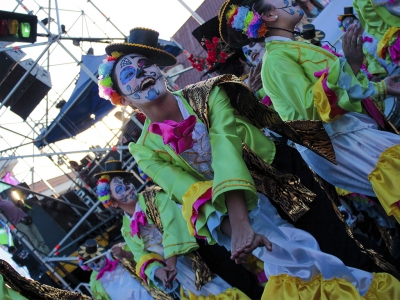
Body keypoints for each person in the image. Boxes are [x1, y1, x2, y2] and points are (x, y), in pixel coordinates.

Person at [97, 27, 400, 298]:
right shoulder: (145, 149)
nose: (142, 73)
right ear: (122, 99)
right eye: (129, 75)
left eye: (145, 64)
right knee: (302, 276)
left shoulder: (207, 93)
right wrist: (236, 231)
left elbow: (225, 146)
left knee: (342, 251)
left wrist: (240, 223)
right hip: (247, 214)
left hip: (283, 180)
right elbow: (188, 190)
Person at [221, 0, 400, 225]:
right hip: (342, 143)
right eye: (284, 1)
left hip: (350, 134)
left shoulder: (291, 48)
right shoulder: (276, 60)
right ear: (269, 16)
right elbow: (313, 107)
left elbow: (343, 94)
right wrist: (352, 65)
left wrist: (382, 88)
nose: (292, 1)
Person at [93, 161, 252, 299]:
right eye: (120, 189)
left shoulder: (155, 197)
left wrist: (170, 263)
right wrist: (157, 271)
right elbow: (141, 255)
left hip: (201, 250)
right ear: (113, 203)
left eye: (126, 183)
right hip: (182, 271)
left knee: (238, 283)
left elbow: (172, 226)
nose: (127, 188)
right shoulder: (126, 229)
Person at [78, 239, 154, 300]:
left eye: (97, 260)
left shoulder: (117, 253)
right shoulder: (94, 281)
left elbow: (141, 256)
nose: (96, 266)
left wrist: (125, 254)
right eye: (91, 265)